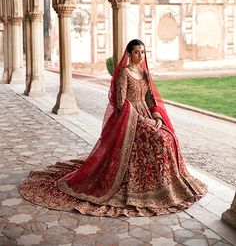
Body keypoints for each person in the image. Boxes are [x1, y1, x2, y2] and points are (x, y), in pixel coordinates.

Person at [19, 39, 207, 216]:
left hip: (147, 114)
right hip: (130, 117)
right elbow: (121, 102)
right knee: (159, 139)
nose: (140, 56)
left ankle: (166, 184)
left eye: (142, 52)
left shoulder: (145, 73)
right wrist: (144, 121)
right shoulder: (125, 73)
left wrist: (156, 116)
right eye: (136, 52)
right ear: (129, 53)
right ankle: (146, 185)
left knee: (169, 136)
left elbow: (150, 98)